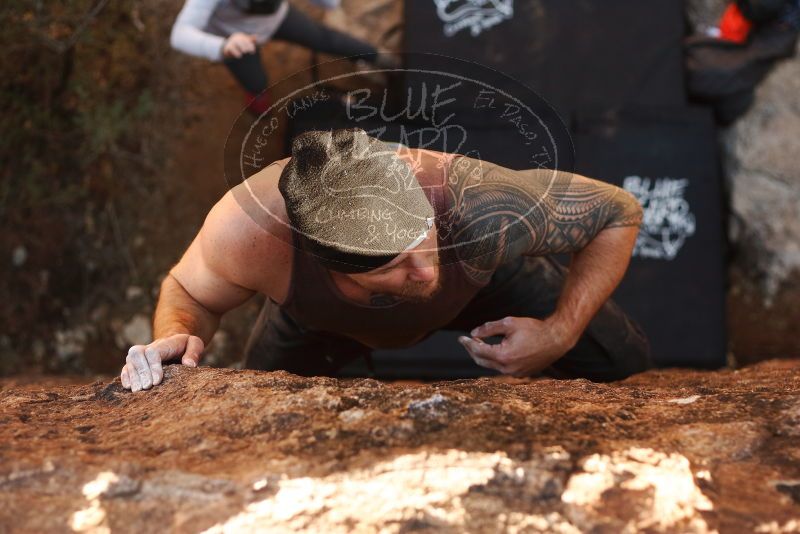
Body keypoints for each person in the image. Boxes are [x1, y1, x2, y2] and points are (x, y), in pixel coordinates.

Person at [119, 128, 653, 391]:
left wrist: (559, 332)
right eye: (389, 265)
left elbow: (619, 211)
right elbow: (188, 292)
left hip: (480, 281)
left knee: (622, 363)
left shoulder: (480, 203)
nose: (423, 270)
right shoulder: (249, 233)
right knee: (260, 405)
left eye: (423, 237)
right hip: (319, 320)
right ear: (320, 260)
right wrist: (178, 333)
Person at [170, 0, 394, 114]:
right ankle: (259, 101)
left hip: (278, 19)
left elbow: (329, 3)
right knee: (256, 82)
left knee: (324, 38)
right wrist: (222, 46)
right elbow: (180, 34)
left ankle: (379, 58)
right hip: (237, 40)